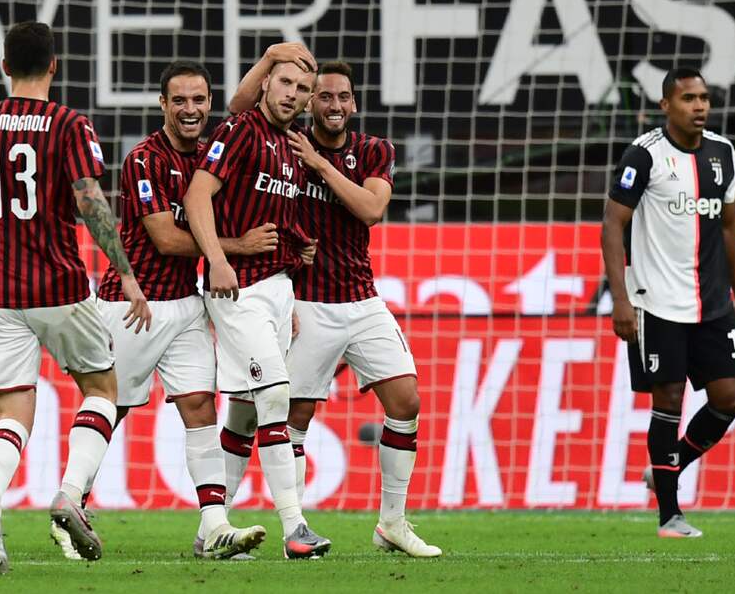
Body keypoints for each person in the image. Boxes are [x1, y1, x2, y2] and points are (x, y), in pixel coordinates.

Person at [0, 22, 151, 575]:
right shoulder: (69, 125)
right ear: (54, 65)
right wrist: (128, 275)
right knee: (100, 387)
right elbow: (91, 202)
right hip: (58, 286)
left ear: (4, 68)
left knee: (13, 408)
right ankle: (71, 495)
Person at [49, 61, 278, 561]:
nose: (191, 110)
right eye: (180, 100)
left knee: (200, 407)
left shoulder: (213, 154)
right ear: (163, 105)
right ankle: (70, 503)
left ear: (209, 104)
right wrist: (237, 247)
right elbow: (165, 237)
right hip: (133, 306)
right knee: (112, 407)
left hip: (187, 306)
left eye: (199, 100)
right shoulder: (143, 160)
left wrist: (270, 59)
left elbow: (247, 108)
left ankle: (214, 527)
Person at [228, 56, 441, 557]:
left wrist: (320, 165)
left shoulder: (372, 150)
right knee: (292, 417)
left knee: (406, 401)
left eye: (343, 97)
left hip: (363, 301)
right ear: (307, 100)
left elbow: (370, 209)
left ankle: (392, 523)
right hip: (307, 302)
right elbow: (238, 109)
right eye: (323, 96)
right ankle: (295, 532)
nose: (334, 105)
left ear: (354, 103)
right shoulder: (282, 144)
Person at [182, 53, 332, 559]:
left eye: (301, 88)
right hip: (236, 290)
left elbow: (271, 215)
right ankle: (295, 528)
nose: (291, 93)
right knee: (276, 396)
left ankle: (209, 534)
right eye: (284, 82)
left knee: (245, 416)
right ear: (266, 83)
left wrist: (297, 250)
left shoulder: (291, 147)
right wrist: (218, 257)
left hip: (276, 290)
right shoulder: (243, 128)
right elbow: (198, 194)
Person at [601, 67, 735, 538]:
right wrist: (620, 300)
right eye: (688, 98)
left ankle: (669, 466)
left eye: (704, 97)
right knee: (667, 400)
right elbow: (612, 225)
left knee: (729, 397)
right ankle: (670, 514)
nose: (700, 106)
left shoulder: (724, 154)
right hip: (656, 301)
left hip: (712, 304)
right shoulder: (643, 156)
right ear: (667, 105)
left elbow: (729, 227)